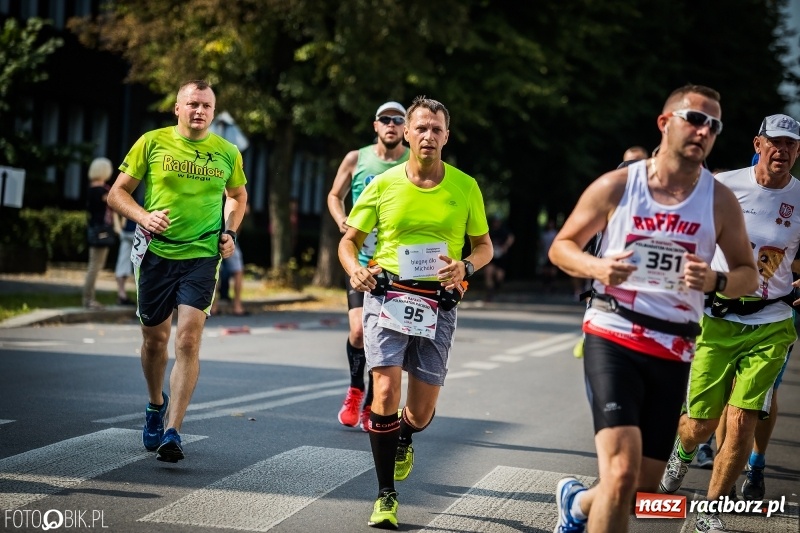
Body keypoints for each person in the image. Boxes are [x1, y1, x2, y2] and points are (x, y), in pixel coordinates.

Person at [547, 84, 758, 533]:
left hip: (675, 346)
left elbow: (748, 274)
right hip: (613, 332)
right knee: (620, 473)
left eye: (714, 125)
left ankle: (578, 503)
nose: (704, 130)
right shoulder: (620, 184)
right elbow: (562, 247)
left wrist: (716, 280)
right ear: (665, 123)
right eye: (695, 119)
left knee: (640, 492)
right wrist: (599, 266)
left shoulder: (719, 200)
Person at [338, 96, 492, 529]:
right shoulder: (384, 184)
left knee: (420, 413)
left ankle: (405, 435)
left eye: (436, 129)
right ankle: (386, 494)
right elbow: (348, 242)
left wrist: (466, 266)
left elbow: (484, 246)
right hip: (387, 295)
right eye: (420, 128)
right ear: (407, 133)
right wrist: (355, 272)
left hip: (438, 302)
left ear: (447, 136)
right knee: (384, 394)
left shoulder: (465, 186)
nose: (428, 136)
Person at [660, 114, 800, 531]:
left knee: (741, 422)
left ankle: (712, 508)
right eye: (774, 142)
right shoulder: (723, 185)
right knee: (700, 425)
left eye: (790, 145)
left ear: (798, 151)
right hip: (717, 319)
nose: (782, 151)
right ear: (758, 144)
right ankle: (682, 452)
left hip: (773, 320)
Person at [107, 79, 248, 463]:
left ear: (213, 113)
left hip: (202, 256)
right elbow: (117, 193)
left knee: (187, 339)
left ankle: (173, 429)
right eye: (192, 103)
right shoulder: (151, 143)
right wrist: (144, 216)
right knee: (155, 339)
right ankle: (156, 403)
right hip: (155, 255)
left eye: (206, 105)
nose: (199, 110)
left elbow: (237, 196)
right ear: (177, 108)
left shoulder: (227, 152)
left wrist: (230, 231)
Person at [327, 101, 410, 431]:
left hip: (397, 266)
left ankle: (374, 403)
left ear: (406, 127)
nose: (391, 125)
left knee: (384, 336)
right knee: (359, 331)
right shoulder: (356, 158)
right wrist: (341, 221)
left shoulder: (414, 161)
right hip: (362, 262)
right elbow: (335, 195)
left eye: (398, 120)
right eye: (385, 119)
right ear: (375, 125)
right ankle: (355, 388)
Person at [83, 157, 115, 309]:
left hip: (94, 229)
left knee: (94, 264)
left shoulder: (91, 189)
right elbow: (113, 201)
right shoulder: (101, 191)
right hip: (101, 230)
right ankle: (88, 299)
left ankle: (89, 298)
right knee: (95, 266)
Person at [482, 214, 514, 301]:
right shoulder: (489, 231)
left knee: (499, 276)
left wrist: (505, 246)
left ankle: (496, 288)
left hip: (501, 258)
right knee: (488, 272)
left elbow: (511, 238)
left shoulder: (503, 231)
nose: (496, 223)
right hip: (492, 257)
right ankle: (490, 293)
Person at [113, 206, 138, 306]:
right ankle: (122, 295)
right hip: (133, 231)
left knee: (123, 264)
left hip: (128, 230)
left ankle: (121, 294)